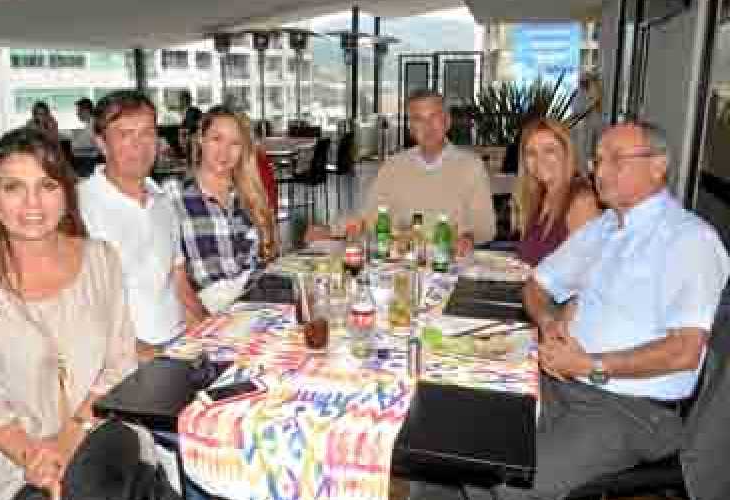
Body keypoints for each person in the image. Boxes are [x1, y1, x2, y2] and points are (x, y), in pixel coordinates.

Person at [458, 121, 730, 500]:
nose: (601, 171)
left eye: (617, 160)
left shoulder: (689, 240)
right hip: (562, 381)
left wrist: (591, 364)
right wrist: (549, 321)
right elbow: (537, 286)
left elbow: (684, 352)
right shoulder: (603, 228)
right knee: (469, 450)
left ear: (658, 166)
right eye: (598, 159)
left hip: (632, 408)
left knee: (512, 484)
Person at [0, 127, 137, 500]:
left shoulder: (102, 259)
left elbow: (120, 366)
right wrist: (38, 459)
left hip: (99, 434)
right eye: (13, 187)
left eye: (47, 186)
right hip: (13, 458)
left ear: (66, 195)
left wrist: (69, 439)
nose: (32, 203)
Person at [78, 90, 200, 359]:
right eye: (124, 135)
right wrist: (151, 357)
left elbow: (179, 282)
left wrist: (212, 334)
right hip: (123, 359)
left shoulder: (164, 201)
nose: (139, 145)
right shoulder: (79, 208)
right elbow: (84, 312)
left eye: (147, 133)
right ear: (101, 143)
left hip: (179, 344)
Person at [308, 89, 496, 255]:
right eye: (418, 119)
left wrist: (468, 238)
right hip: (402, 261)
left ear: (447, 121)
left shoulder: (471, 166)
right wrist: (330, 229)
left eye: (434, 117)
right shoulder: (394, 166)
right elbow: (369, 216)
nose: (428, 126)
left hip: (449, 260)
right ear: (410, 128)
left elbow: (486, 226)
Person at [165, 108, 277, 313]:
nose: (224, 152)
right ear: (200, 139)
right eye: (216, 139)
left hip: (257, 304)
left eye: (235, 143)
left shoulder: (250, 193)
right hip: (206, 310)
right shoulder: (173, 195)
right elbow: (169, 276)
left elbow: (265, 262)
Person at [515, 118, 601, 266]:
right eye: (531, 153)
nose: (539, 159)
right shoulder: (537, 198)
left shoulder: (581, 201)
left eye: (549, 150)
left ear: (566, 152)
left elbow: (587, 271)